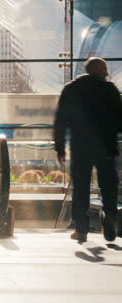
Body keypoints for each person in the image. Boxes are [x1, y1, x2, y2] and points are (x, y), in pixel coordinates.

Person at [54, 57, 122, 243]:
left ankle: (81, 228)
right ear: (99, 71)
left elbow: (60, 120)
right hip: (106, 146)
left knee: (81, 188)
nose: (107, 72)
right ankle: (109, 215)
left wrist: (60, 147)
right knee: (108, 186)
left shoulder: (71, 89)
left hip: (80, 146)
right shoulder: (110, 90)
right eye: (105, 69)